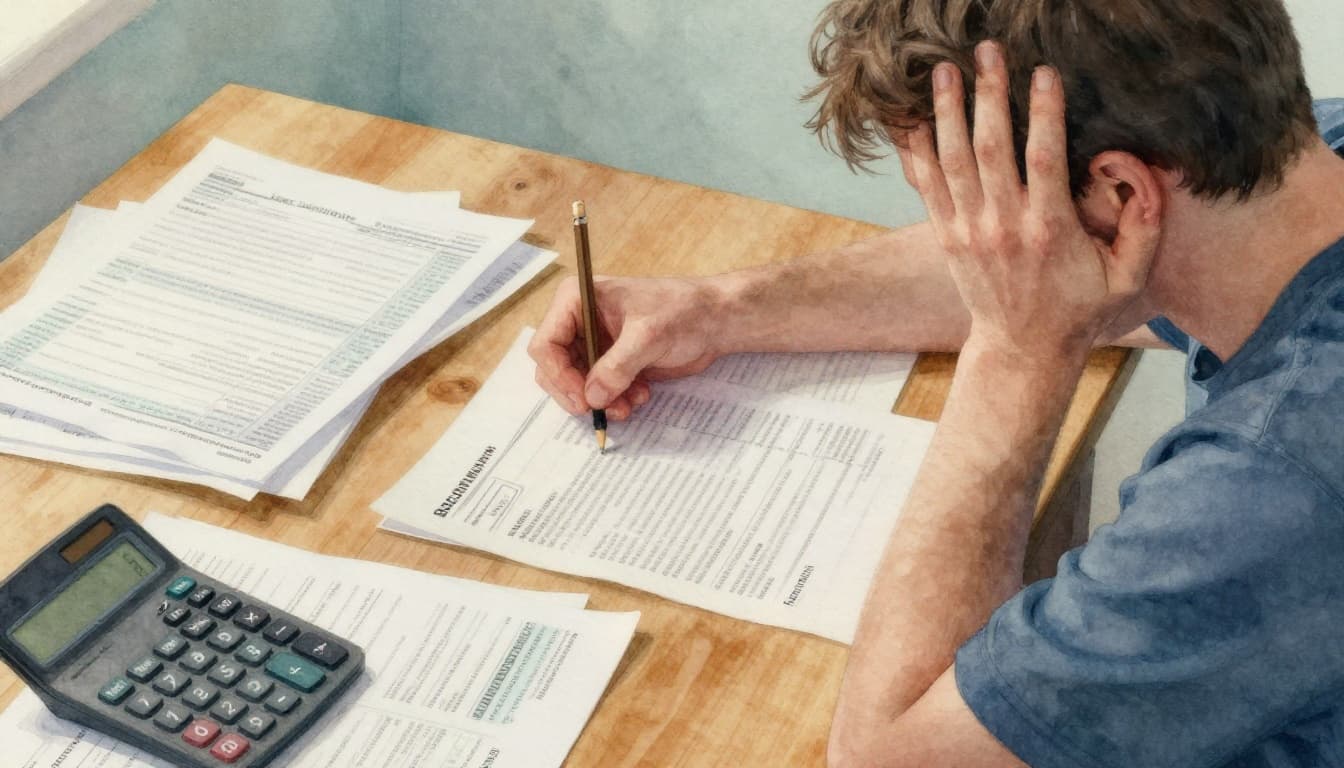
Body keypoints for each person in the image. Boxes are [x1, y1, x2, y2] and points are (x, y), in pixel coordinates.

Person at [529, 0, 1344, 764]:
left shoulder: (1275, 482)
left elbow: (885, 756)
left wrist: (1017, 347)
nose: (973, 243)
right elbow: (1059, 262)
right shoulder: (1298, 167)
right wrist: (720, 307)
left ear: (1125, 192)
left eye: (972, 204)